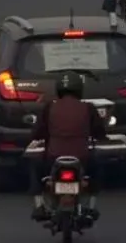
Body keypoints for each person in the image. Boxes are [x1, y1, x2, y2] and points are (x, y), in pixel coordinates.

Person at [28, 71, 110, 221]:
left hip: (53, 157)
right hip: (82, 157)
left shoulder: (49, 108)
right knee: (98, 169)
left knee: (35, 168)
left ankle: (39, 205)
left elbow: (38, 132)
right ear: (79, 89)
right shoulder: (88, 108)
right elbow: (99, 132)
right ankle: (91, 207)